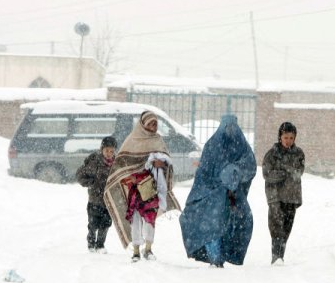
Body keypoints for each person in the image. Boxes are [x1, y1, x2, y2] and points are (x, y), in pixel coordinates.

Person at [179, 114, 257, 268]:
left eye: (232, 127)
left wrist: (235, 172)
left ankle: (224, 255)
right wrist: (215, 187)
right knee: (207, 221)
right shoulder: (212, 146)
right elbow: (203, 173)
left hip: (234, 196)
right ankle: (215, 258)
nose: (229, 131)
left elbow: (250, 166)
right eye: (226, 127)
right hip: (210, 193)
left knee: (240, 221)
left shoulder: (242, 147)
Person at [103, 110, 181, 262]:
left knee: (150, 218)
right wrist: (135, 173)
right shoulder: (132, 140)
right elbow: (121, 164)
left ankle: (149, 248)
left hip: (151, 189)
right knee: (135, 219)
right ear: (143, 124)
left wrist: (162, 164)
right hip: (135, 189)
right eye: (151, 123)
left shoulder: (158, 140)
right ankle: (136, 250)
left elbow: (167, 162)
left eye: (155, 124)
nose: (153, 127)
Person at [262, 121, 305, 265]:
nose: (288, 141)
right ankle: (276, 257)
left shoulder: (298, 154)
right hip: (275, 196)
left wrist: (286, 171)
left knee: (286, 228)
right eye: (286, 137)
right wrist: (284, 173)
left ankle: (281, 255)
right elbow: (267, 174)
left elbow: (299, 173)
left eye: (291, 138)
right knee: (276, 227)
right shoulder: (272, 154)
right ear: (280, 137)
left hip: (292, 197)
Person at [76, 136, 117, 253]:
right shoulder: (94, 162)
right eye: (106, 150)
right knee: (93, 223)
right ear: (101, 149)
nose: (109, 154)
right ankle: (91, 243)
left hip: (109, 201)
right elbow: (80, 175)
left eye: (111, 151)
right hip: (95, 200)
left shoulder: (117, 164)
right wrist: (91, 183)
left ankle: (100, 245)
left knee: (106, 224)